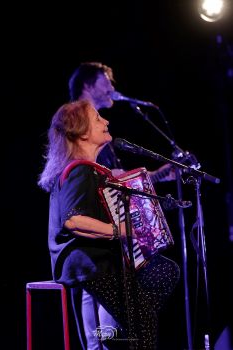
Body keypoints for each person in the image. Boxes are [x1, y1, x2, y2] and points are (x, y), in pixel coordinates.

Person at [38, 100, 180, 349]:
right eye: (97, 119)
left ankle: (122, 332)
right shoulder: (79, 170)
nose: (106, 121)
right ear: (82, 132)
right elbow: (73, 220)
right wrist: (120, 231)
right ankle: (124, 332)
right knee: (143, 319)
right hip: (91, 264)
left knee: (163, 272)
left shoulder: (88, 171)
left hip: (99, 261)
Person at [67, 61, 176, 349]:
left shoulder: (99, 132)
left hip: (107, 230)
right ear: (89, 84)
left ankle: (104, 344)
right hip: (94, 229)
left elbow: (117, 178)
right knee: (102, 290)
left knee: (105, 291)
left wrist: (163, 174)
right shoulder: (78, 126)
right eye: (107, 82)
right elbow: (93, 177)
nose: (113, 89)